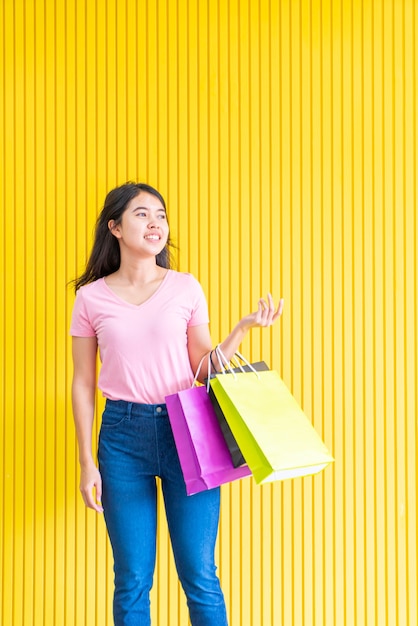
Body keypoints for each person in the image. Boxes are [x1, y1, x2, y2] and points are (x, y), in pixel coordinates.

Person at [70, 182, 284, 626]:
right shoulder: (90, 297)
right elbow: (83, 382)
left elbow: (204, 367)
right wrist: (86, 461)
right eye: (142, 214)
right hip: (122, 438)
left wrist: (241, 329)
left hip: (187, 428)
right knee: (131, 578)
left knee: (200, 575)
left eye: (161, 215)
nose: (155, 223)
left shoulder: (185, 287)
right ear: (115, 227)